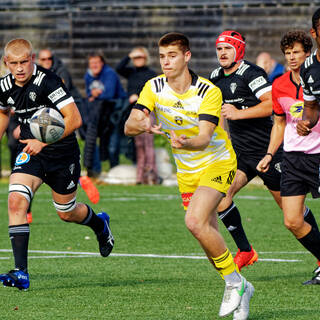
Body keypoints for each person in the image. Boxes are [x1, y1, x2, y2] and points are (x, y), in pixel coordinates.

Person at [125, 32, 254, 320]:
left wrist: (185, 142)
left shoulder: (208, 91)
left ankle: (236, 284)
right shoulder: (153, 86)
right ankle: (242, 290)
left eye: (172, 55)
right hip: (187, 172)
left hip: (217, 162)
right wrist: (142, 123)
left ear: (187, 56)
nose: (165, 62)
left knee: (194, 222)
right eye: (161, 56)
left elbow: (205, 137)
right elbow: (129, 125)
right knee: (208, 239)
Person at [0, 39, 114, 290]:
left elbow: (74, 119)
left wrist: (43, 141)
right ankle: (21, 273)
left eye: (24, 62)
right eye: (14, 63)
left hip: (62, 153)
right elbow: (3, 112)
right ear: (6, 63)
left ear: (33, 59)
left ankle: (99, 223)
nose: (19, 68)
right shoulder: (4, 86)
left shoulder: (48, 81)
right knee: (16, 201)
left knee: (66, 212)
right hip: (30, 151)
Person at [209, 30, 285, 271]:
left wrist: (238, 113)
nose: (222, 53)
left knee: (292, 215)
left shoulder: (251, 73)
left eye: (227, 48)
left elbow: (271, 105)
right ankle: (246, 251)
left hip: (267, 153)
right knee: (221, 197)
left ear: (238, 50)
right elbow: (218, 112)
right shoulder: (215, 76)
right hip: (240, 155)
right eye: (219, 48)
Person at [38, 49, 99, 204]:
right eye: (43, 59)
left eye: (48, 58)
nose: (46, 61)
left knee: (87, 138)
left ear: (52, 58)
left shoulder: (60, 71)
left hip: (73, 109)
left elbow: (60, 88)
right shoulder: (37, 73)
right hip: (51, 113)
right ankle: (81, 178)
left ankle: (90, 172)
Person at [295, 8, 320, 284]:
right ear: (314, 33)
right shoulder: (309, 68)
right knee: (292, 219)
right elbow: (311, 107)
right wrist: (306, 122)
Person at [116, 46, 158, 184]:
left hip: (147, 112)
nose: (137, 60)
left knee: (148, 145)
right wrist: (129, 55)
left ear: (146, 58)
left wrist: (138, 96)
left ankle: (153, 176)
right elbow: (119, 68)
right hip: (133, 112)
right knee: (139, 146)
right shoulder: (131, 72)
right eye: (135, 58)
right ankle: (140, 177)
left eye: (140, 57)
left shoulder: (151, 73)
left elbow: (153, 93)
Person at [84, 51, 127, 177]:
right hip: (100, 113)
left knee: (112, 144)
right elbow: (88, 93)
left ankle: (115, 171)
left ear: (102, 63)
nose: (94, 65)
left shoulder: (109, 73)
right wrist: (94, 94)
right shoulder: (88, 75)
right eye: (92, 63)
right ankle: (95, 171)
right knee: (92, 140)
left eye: (97, 62)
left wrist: (96, 94)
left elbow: (109, 94)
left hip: (115, 111)